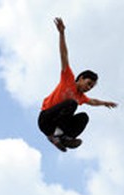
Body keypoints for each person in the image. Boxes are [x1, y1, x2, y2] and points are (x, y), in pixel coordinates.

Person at [38, 17, 118, 152]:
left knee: (83, 117)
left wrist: (105, 103)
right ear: (80, 78)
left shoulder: (81, 97)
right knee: (72, 103)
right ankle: (55, 136)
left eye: (91, 87)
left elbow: (93, 101)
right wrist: (62, 33)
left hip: (56, 126)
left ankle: (64, 138)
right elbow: (64, 55)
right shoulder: (67, 78)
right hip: (46, 120)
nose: (88, 88)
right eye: (88, 84)